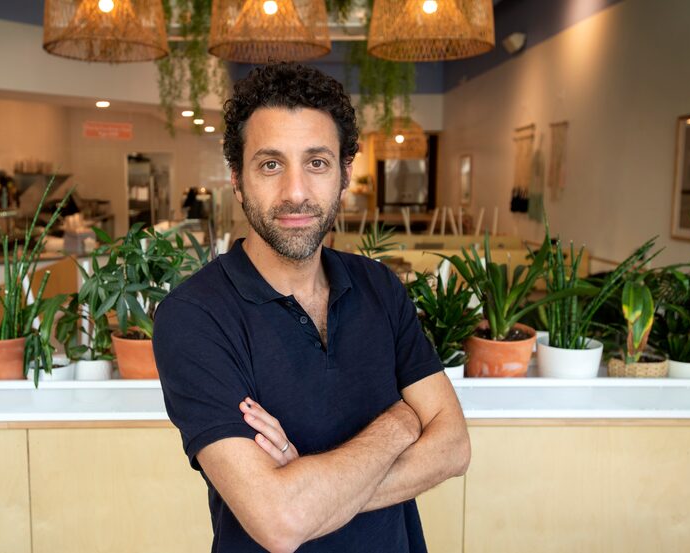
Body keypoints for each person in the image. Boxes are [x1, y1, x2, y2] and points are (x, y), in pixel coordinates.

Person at [154, 62, 470, 553]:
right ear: (237, 180)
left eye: (317, 162)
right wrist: (401, 423)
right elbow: (280, 522)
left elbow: (453, 447)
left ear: (345, 174)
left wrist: (311, 492)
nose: (296, 192)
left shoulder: (380, 287)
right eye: (271, 164)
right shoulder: (194, 317)